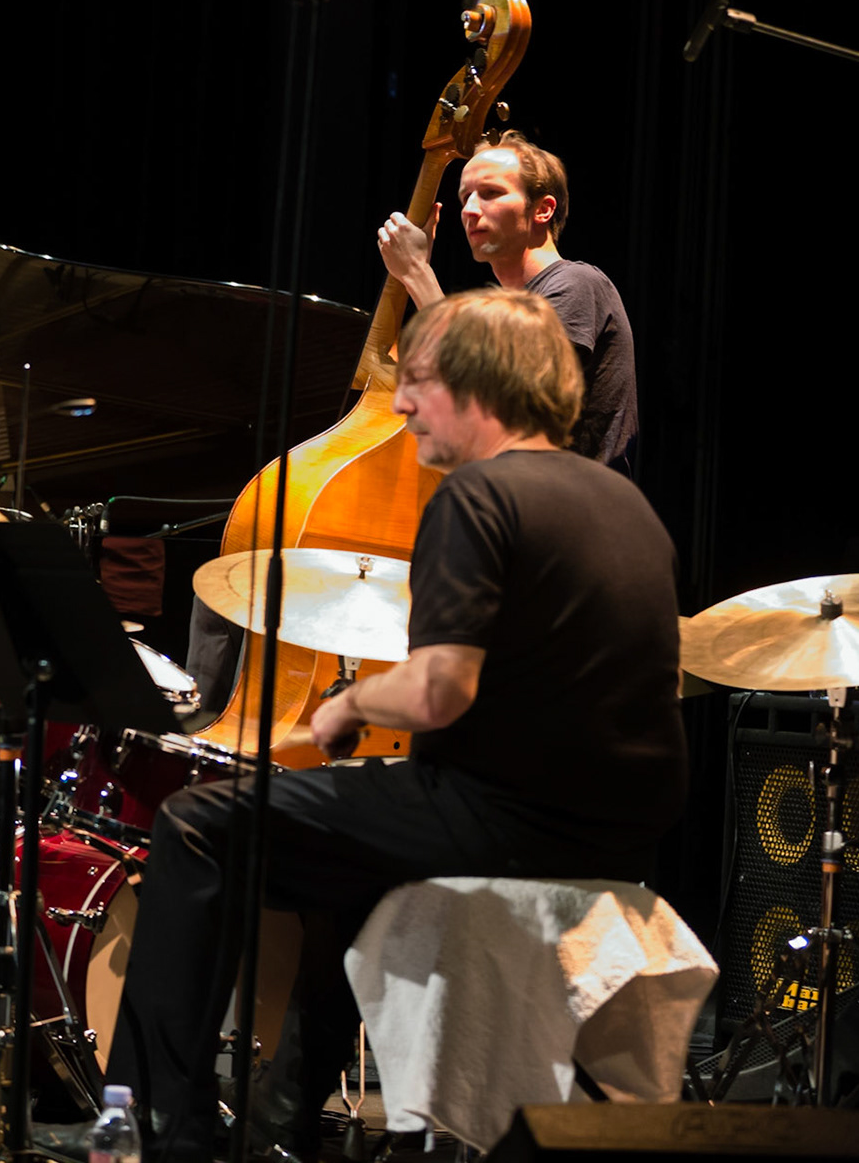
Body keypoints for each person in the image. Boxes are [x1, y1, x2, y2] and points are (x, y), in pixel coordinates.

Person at [106, 288, 686, 1160]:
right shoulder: (625, 506)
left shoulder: (480, 496)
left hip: (501, 824)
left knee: (197, 826)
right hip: (617, 838)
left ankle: (156, 1127)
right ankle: (282, 1121)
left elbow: (438, 691)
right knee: (356, 859)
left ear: (478, 383)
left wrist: (347, 706)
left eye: (419, 383)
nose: (404, 404)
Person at [377, 130, 639, 474]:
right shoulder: (501, 310)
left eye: (490, 194)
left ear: (543, 209)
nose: (470, 210)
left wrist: (416, 271)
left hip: (568, 515)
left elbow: (500, 391)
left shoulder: (577, 284)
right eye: (465, 197)